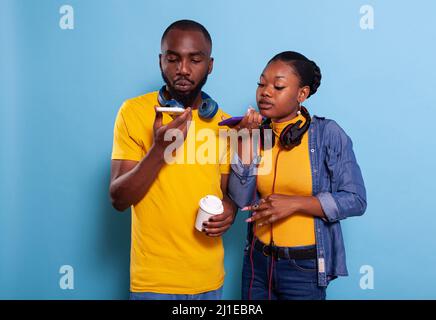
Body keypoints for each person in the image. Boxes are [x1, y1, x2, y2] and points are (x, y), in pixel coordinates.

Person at [109, 20, 236, 300]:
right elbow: (118, 198)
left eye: (195, 59)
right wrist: (159, 151)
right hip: (153, 283)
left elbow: (226, 195)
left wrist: (231, 209)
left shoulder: (226, 124)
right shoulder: (133, 112)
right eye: (173, 58)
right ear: (161, 61)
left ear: (210, 65)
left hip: (209, 280)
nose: (183, 69)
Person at [227, 51, 367, 300]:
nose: (265, 91)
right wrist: (244, 141)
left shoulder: (327, 134)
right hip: (256, 265)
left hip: (303, 268)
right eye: (261, 83)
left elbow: (355, 199)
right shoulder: (256, 134)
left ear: (302, 94)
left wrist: (295, 204)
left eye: (278, 86)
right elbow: (240, 199)